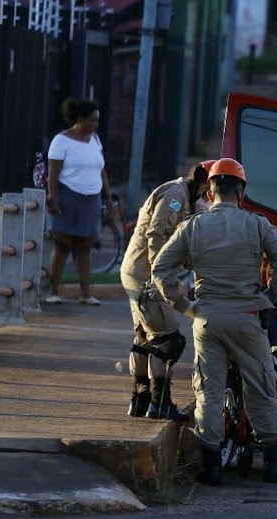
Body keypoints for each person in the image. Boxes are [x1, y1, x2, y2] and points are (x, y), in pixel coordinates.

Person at [151, 158, 277, 486]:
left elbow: (161, 269)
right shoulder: (257, 225)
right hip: (248, 318)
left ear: (210, 188)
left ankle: (212, 466)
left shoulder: (194, 226)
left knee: (209, 390)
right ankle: (273, 463)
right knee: (261, 387)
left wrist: (184, 305)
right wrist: (271, 297)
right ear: (242, 191)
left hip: (207, 319)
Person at [120, 162, 214, 420]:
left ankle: (140, 401)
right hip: (145, 273)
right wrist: (158, 276)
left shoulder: (185, 198)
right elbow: (157, 233)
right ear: (203, 181)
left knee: (143, 339)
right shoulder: (175, 195)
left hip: (135, 271)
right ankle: (160, 403)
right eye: (209, 186)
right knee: (168, 339)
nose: (209, 193)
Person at [45, 98, 113, 305]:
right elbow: (53, 173)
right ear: (79, 119)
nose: (95, 125)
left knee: (86, 245)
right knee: (63, 244)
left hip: (91, 198)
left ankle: (85, 293)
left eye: (97, 121)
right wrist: (52, 197)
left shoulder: (95, 141)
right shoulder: (61, 141)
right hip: (68, 196)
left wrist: (107, 196)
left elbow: (101, 169)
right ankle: (54, 291)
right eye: (91, 121)